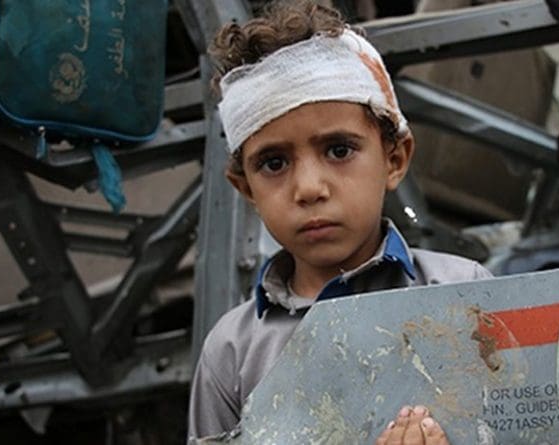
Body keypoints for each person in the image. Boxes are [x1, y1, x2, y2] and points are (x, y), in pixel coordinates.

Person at [187, 1, 492, 443]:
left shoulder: (462, 294)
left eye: (338, 150)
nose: (309, 188)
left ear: (394, 159)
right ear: (246, 188)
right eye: (273, 162)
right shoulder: (231, 352)